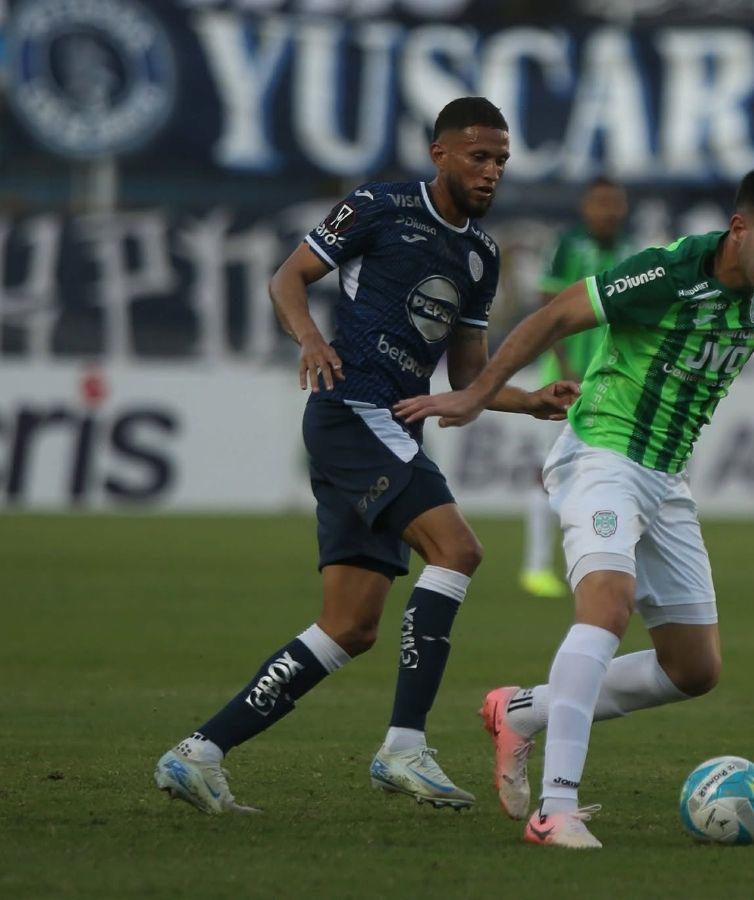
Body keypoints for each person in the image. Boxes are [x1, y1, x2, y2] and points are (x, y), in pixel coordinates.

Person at [394, 165, 754, 848]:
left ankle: (523, 711)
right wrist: (478, 394)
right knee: (607, 607)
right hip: (602, 455)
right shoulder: (671, 273)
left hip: (666, 478)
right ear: (739, 229)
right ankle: (556, 808)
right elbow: (556, 315)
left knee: (693, 669)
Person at [153, 97, 577, 815]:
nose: (491, 171)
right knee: (459, 550)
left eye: (502, 160)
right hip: (351, 413)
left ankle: (199, 753)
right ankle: (404, 747)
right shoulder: (379, 207)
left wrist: (529, 399)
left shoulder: (480, 254)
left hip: (392, 427)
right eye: (479, 156)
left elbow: (466, 376)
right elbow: (287, 278)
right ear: (440, 154)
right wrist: (310, 339)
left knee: (350, 626)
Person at [520, 177, 632, 599]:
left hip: (612, 385)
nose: (608, 211)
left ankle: (602, 565)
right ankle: (535, 567)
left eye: (614, 203)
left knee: (612, 476)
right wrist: (567, 368)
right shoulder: (567, 246)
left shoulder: (633, 252)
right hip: (561, 381)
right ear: (586, 207)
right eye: (600, 203)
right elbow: (548, 309)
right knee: (548, 475)